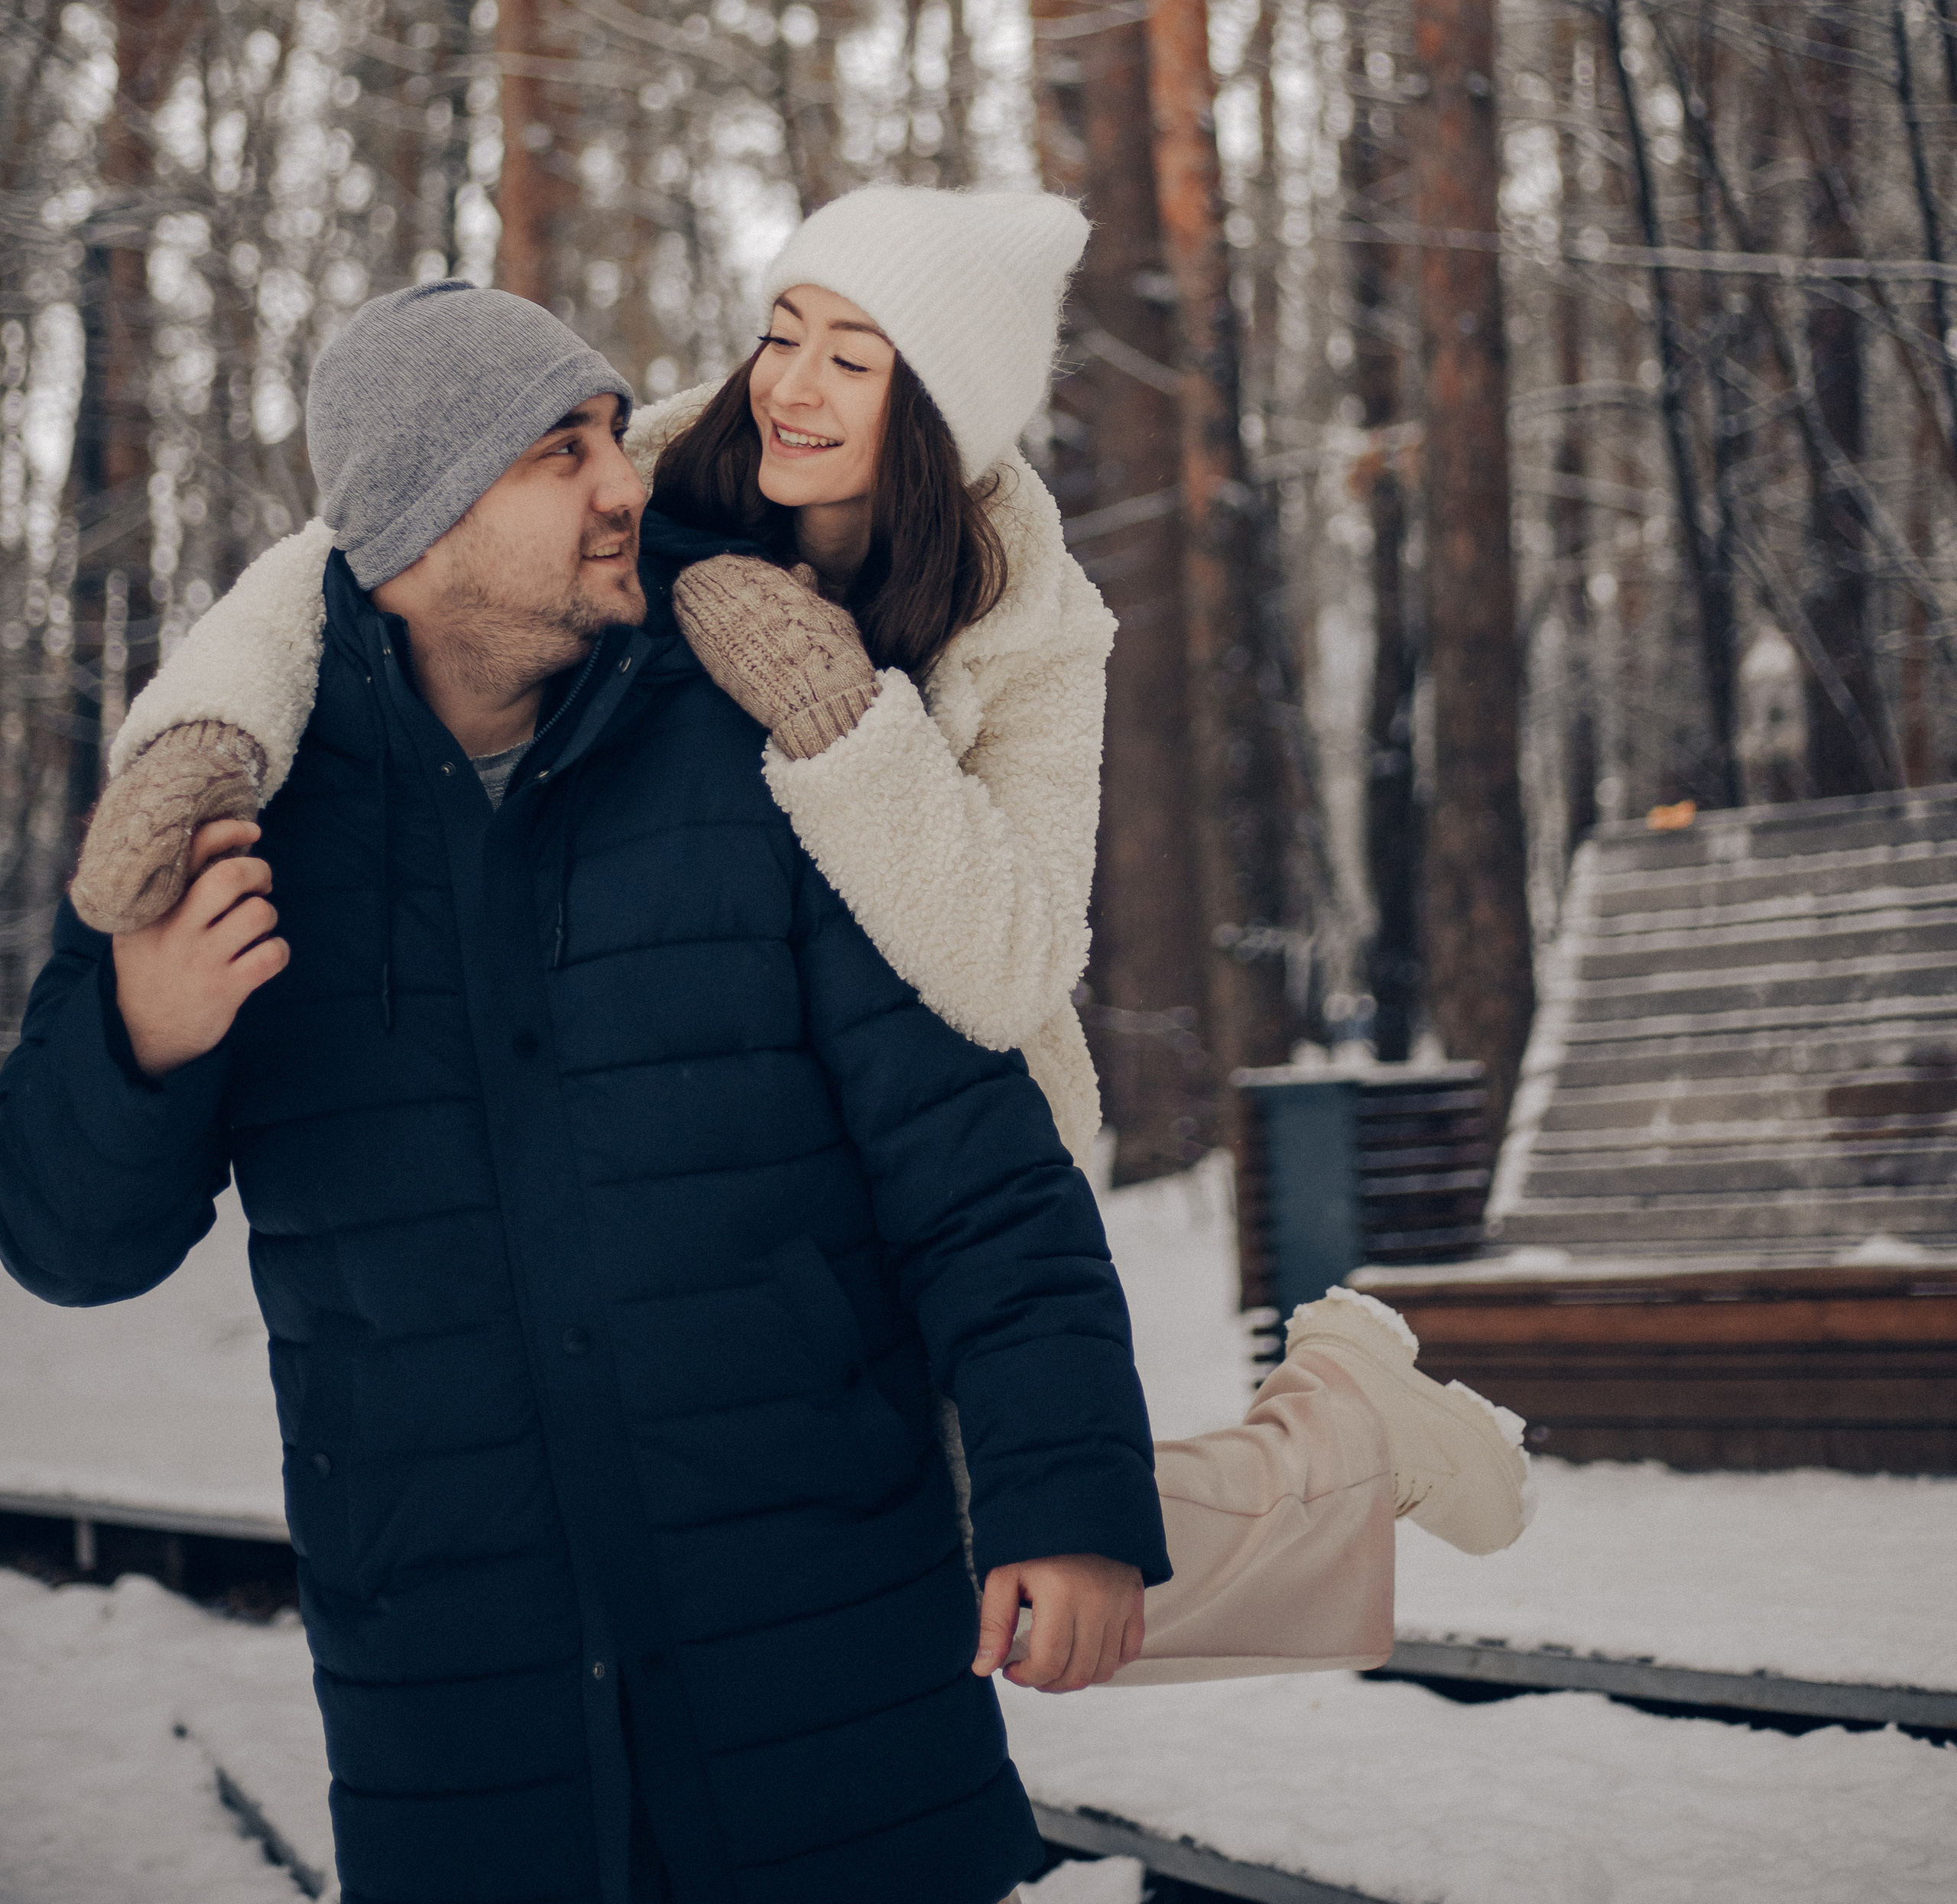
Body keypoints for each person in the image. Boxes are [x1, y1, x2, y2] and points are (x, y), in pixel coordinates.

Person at [67, 188, 1529, 1694]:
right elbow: (342, 552)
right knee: (878, 1544)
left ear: (935, 407)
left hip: (933, 1115)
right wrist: (201, 738)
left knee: (949, 1553)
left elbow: (1016, 963)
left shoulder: (1033, 629)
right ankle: (1338, 1444)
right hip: (724, 1094)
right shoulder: (641, 472)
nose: (788, 384)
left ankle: (1340, 1440)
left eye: (851, 356)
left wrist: (842, 723)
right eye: (781, 331)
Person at [0, 280, 1172, 1904]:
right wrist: (143, 1032)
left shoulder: (759, 748)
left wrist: (1071, 1500)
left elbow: (975, 1169)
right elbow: (67, 1243)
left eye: (614, 434)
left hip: (821, 1666)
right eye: (563, 453)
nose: (630, 480)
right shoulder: (242, 809)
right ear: (418, 520)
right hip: (463, 1714)